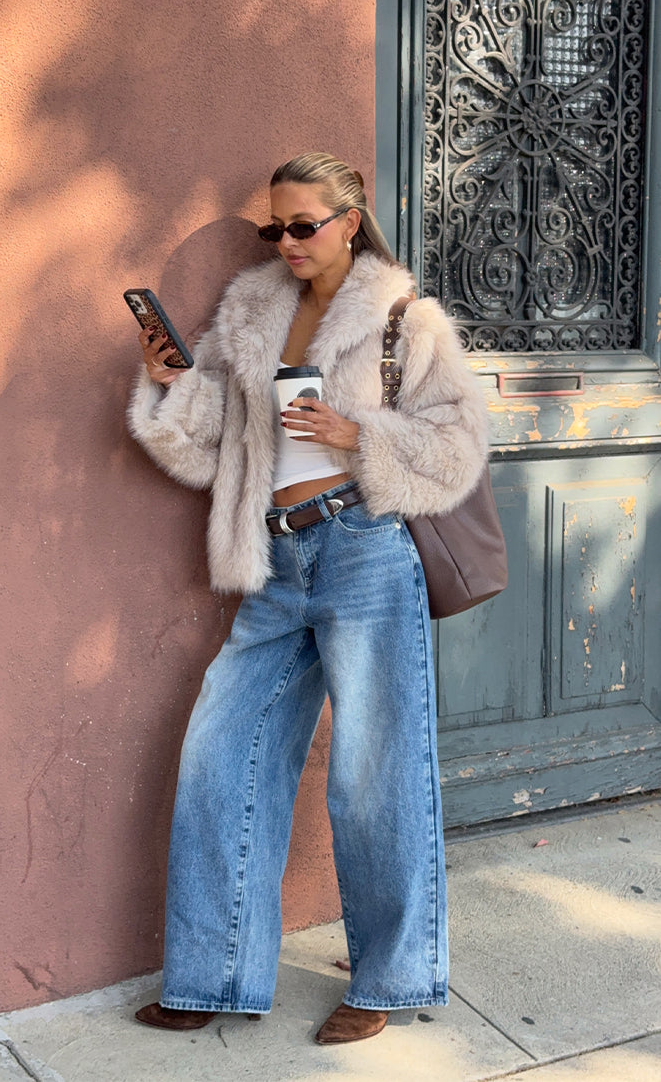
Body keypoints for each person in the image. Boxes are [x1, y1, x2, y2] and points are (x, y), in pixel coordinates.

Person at [127, 152, 489, 1045]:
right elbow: (211, 449)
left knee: (375, 777)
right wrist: (178, 388)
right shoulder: (250, 312)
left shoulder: (407, 320)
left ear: (350, 219)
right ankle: (212, 975)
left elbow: (458, 447)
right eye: (273, 228)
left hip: (365, 551)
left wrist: (353, 431)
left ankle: (390, 977)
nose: (287, 241)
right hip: (272, 565)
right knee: (221, 756)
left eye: (304, 225)